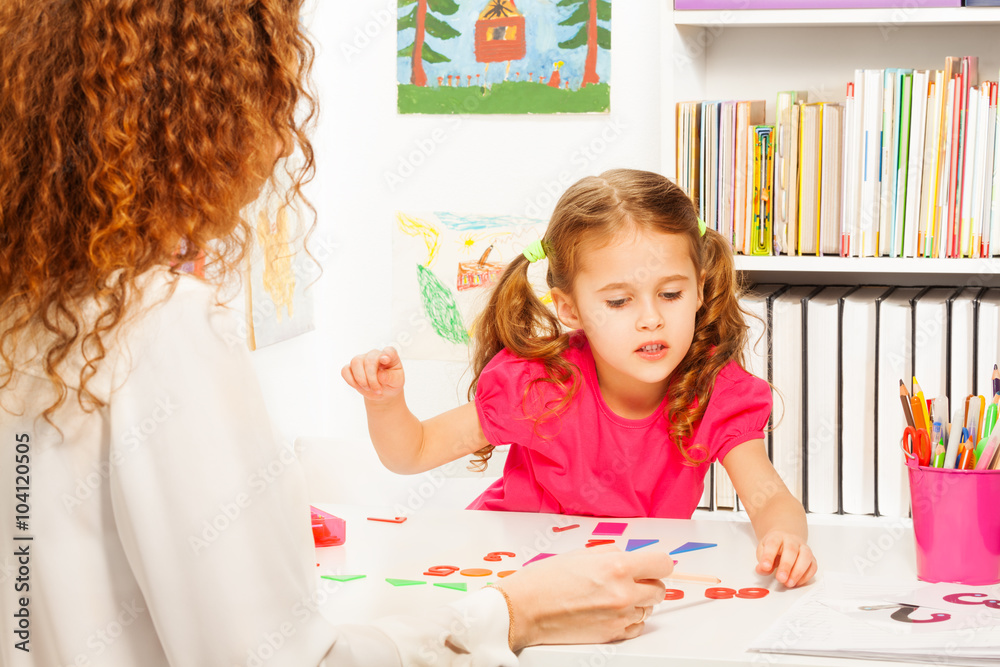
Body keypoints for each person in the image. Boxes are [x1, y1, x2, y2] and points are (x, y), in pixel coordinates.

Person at [0, 3, 672, 666]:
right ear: (208, 109)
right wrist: (513, 612)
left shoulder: (32, 312)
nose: (285, 131)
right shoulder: (160, 322)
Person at [344, 168, 818, 589]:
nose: (651, 319)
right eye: (619, 302)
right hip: (512, 575)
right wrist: (385, 403)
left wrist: (785, 537)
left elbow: (769, 496)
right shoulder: (539, 384)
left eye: (670, 293)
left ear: (699, 288)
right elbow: (414, 452)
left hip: (620, 578)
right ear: (569, 309)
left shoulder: (714, 389)